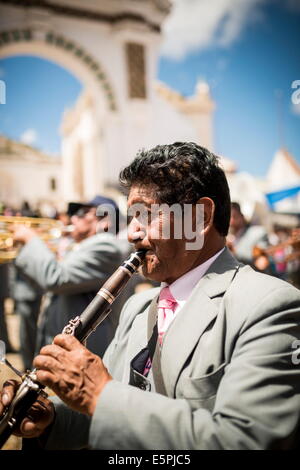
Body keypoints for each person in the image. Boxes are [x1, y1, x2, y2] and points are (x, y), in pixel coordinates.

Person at [1, 142, 300, 450]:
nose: (131, 232)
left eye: (144, 215)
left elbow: (245, 441)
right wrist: (51, 417)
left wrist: (100, 394)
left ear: (200, 218)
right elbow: (107, 414)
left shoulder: (269, 305)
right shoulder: (138, 306)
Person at [10, 195, 127, 360]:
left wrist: (31, 239)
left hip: (83, 350)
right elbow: (45, 283)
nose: (73, 218)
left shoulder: (105, 246)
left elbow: (56, 278)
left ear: (105, 221)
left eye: (82, 213)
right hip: (65, 340)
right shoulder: (81, 246)